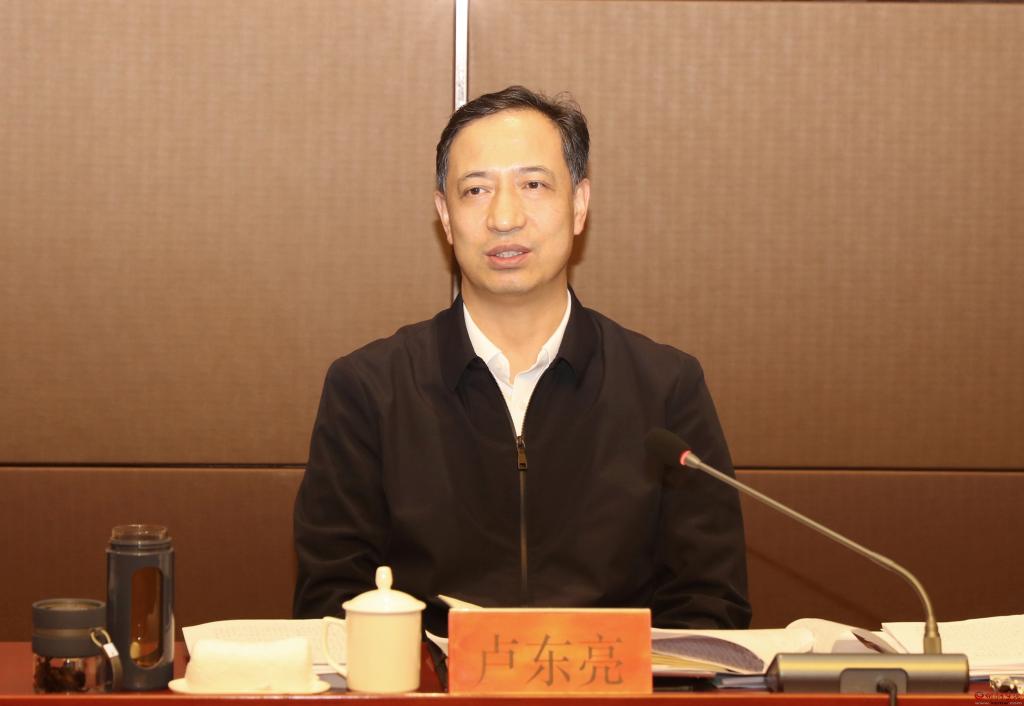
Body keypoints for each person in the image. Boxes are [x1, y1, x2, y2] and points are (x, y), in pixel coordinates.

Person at [293, 86, 750, 634]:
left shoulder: (666, 388)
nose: (505, 217)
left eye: (533, 184)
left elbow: (709, 606)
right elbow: (331, 606)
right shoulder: (369, 391)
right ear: (445, 216)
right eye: (476, 190)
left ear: (579, 204)